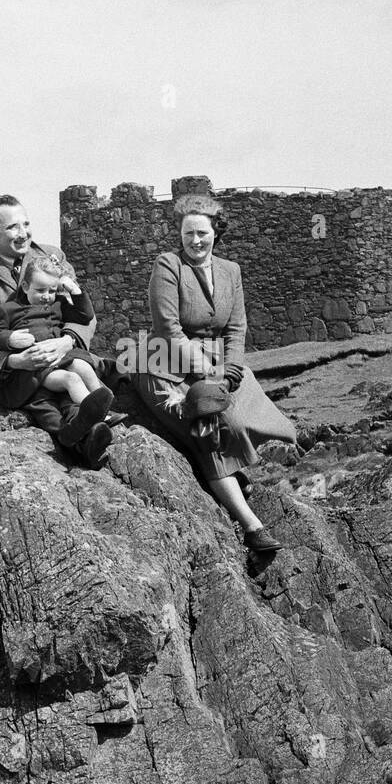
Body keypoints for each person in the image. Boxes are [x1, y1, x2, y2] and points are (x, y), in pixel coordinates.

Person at [131, 193, 297, 552]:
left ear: (215, 232)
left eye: (202, 233)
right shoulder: (167, 265)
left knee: (236, 423)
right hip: (165, 363)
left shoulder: (230, 271)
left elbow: (236, 329)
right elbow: (168, 328)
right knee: (207, 428)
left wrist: (229, 373)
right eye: (187, 233)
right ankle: (252, 526)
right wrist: (204, 373)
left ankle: (234, 474)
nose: (195, 240)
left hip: (220, 366)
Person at [0, 194, 113, 465]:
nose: (23, 233)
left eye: (26, 224)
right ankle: (80, 437)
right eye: (12, 227)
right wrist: (16, 361)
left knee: (73, 382)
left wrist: (67, 342)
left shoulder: (52, 258)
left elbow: (80, 313)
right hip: (19, 375)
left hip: (63, 354)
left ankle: (88, 433)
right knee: (47, 400)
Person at [0, 254, 114, 430]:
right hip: (38, 367)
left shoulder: (59, 304)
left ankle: (105, 405)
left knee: (83, 366)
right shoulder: (9, 309)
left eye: (52, 291)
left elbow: (85, 316)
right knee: (72, 379)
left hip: (62, 357)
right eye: (40, 290)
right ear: (25, 287)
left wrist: (73, 289)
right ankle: (94, 414)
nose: (47, 296)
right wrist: (11, 339)